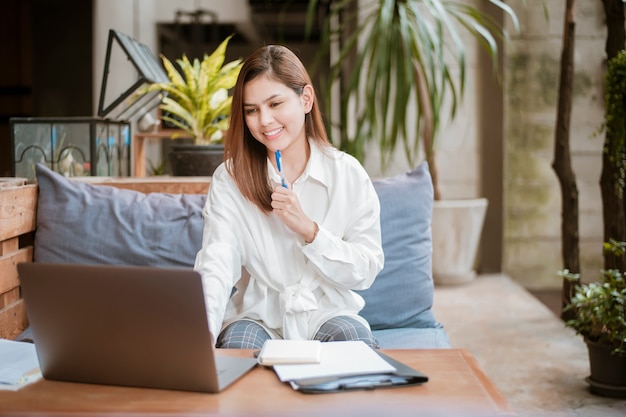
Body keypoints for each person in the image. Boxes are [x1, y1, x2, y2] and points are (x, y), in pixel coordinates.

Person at [193, 44, 384, 349]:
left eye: (275, 103)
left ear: (305, 99)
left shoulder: (347, 173)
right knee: (239, 346)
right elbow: (217, 262)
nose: (265, 120)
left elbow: (365, 269)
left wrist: (311, 231)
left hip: (327, 313)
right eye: (252, 110)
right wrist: (199, 339)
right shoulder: (229, 178)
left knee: (352, 343)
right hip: (257, 318)